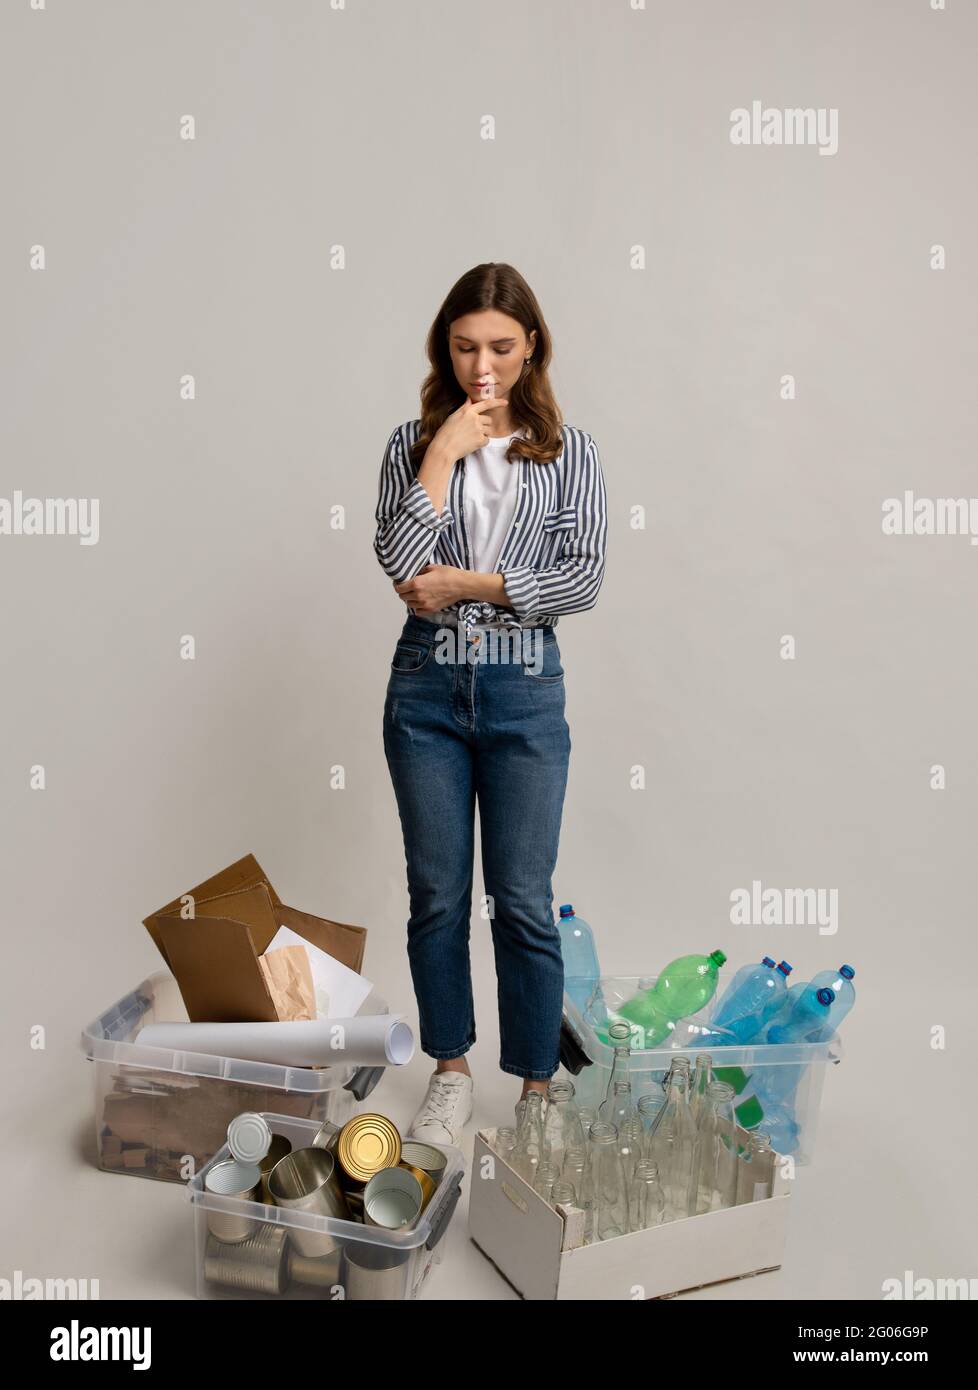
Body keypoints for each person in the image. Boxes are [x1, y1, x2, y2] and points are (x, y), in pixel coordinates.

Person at [373, 261, 608, 1143]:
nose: (483, 367)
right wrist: (442, 453)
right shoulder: (409, 443)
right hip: (427, 686)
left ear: (531, 347)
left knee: (522, 898)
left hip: (523, 689)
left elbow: (581, 577)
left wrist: (471, 582)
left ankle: (536, 1091)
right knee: (437, 894)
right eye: (465, 347)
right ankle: (450, 1070)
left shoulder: (569, 449)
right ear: (445, 347)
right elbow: (401, 564)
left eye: (501, 348)